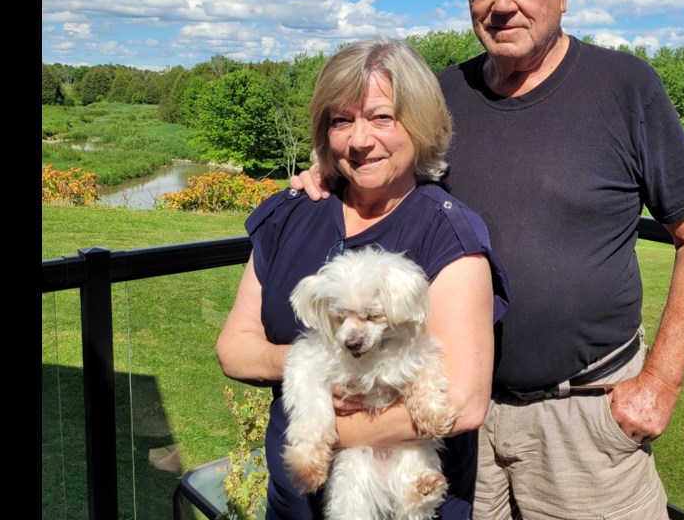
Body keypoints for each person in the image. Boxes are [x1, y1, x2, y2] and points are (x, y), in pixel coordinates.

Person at [294, 0, 684, 520]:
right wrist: (329, 170)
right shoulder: (441, 97)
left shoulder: (625, 88)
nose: (500, 4)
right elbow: (379, 169)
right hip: (456, 414)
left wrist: (660, 383)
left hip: (585, 414)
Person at [217, 37, 509, 520]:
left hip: (406, 500)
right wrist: (316, 361)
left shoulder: (448, 233)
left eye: (381, 117)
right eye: (341, 120)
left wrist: (318, 432)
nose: (358, 139)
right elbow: (234, 347)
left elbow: (463, 401)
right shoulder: (292, 213)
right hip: (292, 506)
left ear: (419, 124)